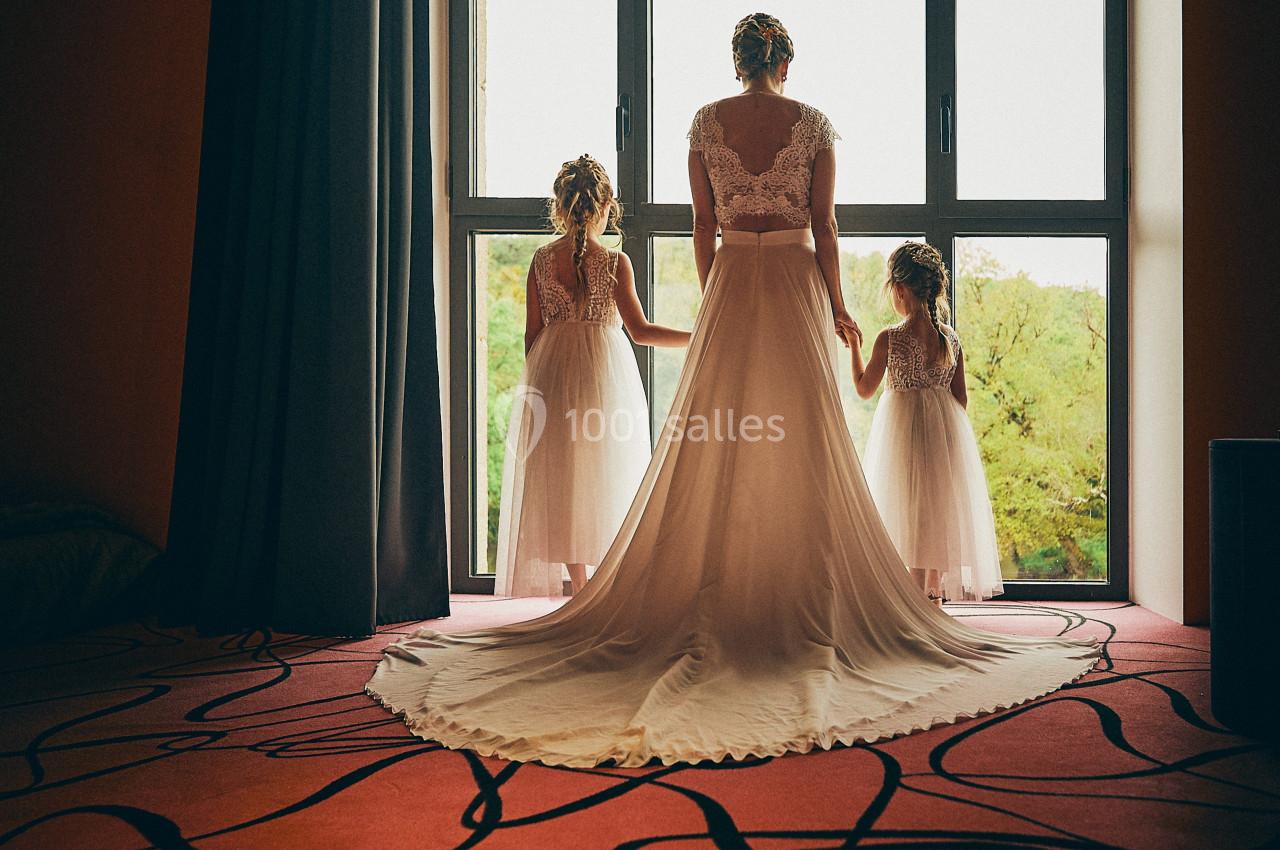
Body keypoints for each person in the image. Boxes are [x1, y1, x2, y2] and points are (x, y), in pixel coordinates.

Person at [367, 13, 1098, 768]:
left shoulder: (704, 123)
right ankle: (795, 598)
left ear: (740, 59)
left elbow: (703, 226)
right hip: (791, 279)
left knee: (717, 433)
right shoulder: (812, 123)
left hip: (735, 284)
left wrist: (717, 294)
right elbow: (825, 225)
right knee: (803, 435)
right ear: (782, 59)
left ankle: (727, 591)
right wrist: (839, 304)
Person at [495, 155, 690, 597]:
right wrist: (696, 336)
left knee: (564, 478)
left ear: (561, 208)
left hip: (552, 377)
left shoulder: (542, 261)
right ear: (607, 208)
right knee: (606, 473)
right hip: (604, 377)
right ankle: (604, 587)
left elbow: (532, 334)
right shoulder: (614, 263)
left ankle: (580, 587)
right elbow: (641, 332)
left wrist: (539, 382)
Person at [853, 242, 1004, 603]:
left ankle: (910, 599)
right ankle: (933, 598)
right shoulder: (949, 338)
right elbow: (961, 398)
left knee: (905, 511)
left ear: (899, 290)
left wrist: (855, 346)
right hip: (943, 437)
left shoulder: (890, 338)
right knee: (936, 514)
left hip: (902, 437)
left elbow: (863, 389)